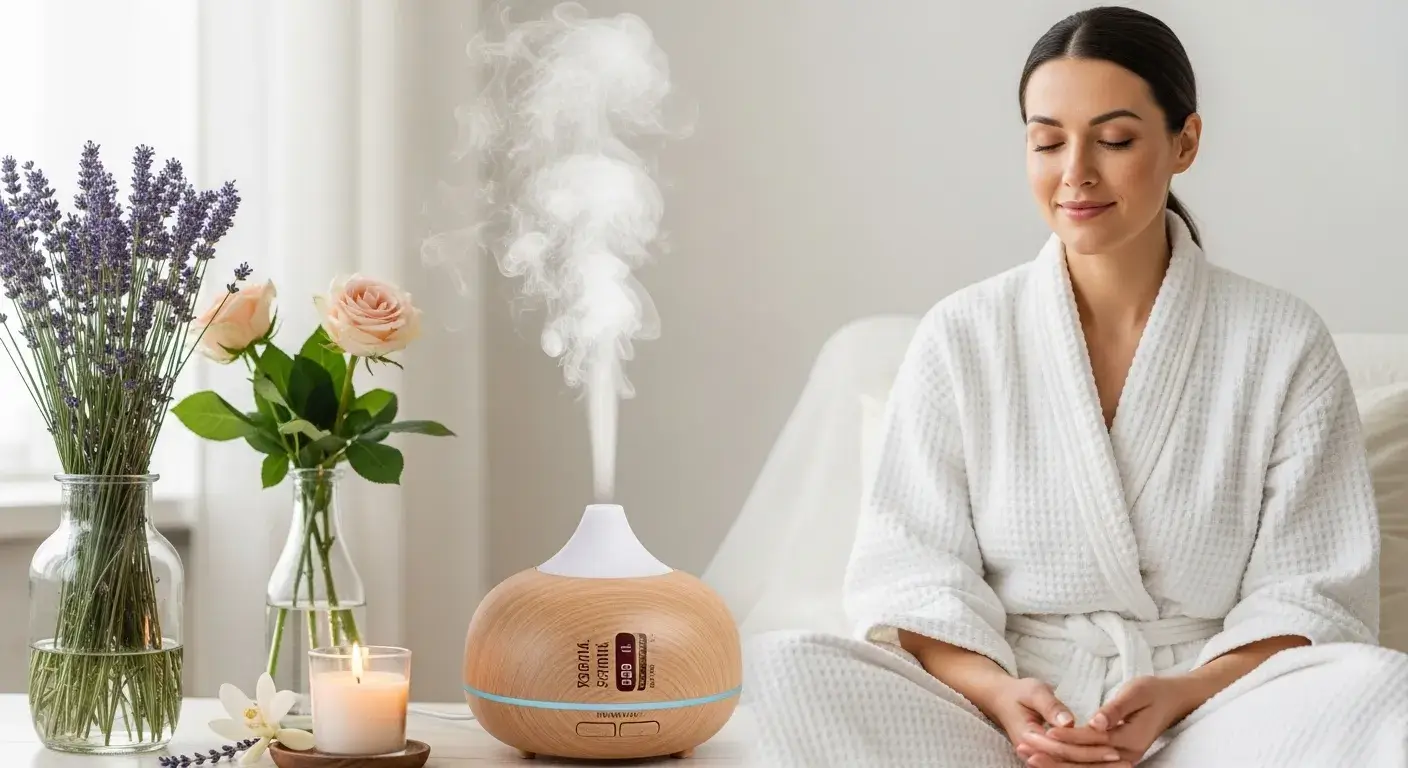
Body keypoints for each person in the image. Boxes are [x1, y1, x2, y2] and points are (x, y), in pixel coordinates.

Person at [741, 6, 1408, 767]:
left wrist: (1179, 695)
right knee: (785, 667)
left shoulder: (1282, 342)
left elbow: (1310, 591)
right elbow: (913, 575)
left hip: (1211, 712)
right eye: (1048, 141)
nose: (1075, 173)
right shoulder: (963, 336)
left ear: (1185, 142)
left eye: (1114, 140)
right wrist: (1004, 697)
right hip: (999, 715)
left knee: (1382, 688)